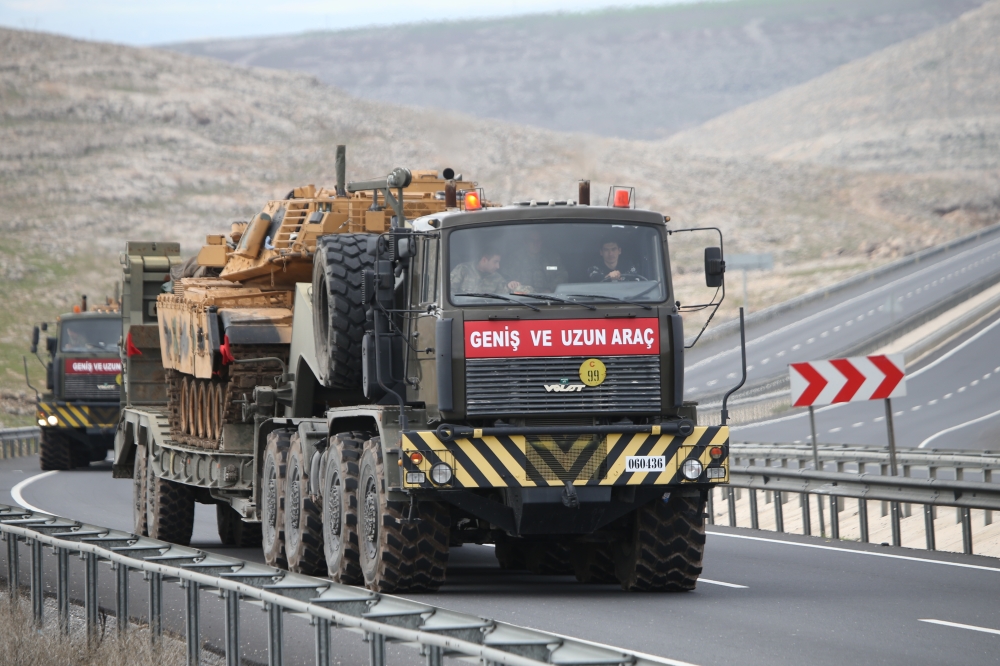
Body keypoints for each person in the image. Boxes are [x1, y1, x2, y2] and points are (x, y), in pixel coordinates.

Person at [450, 248, 525, 295]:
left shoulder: (497, 278)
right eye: (495, 262)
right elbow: (446, 293)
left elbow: (504, 293)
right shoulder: (463, 270)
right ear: (484, 260)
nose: (498, 266)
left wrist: (509, 286)